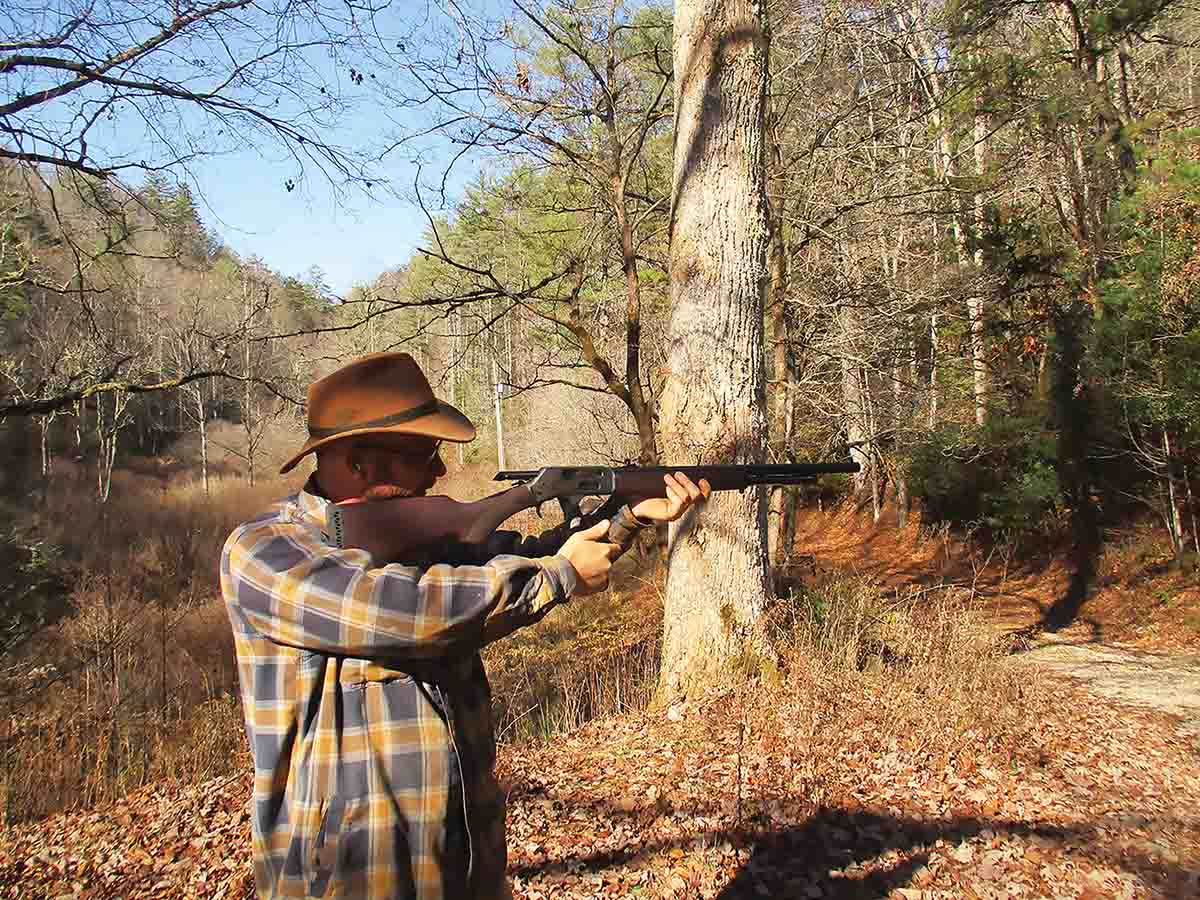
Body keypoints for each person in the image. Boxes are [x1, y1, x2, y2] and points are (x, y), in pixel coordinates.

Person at [220, 351, 709, 900]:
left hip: (463, 869)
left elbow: (530, 559)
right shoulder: (264, 551)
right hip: (345, 879)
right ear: (360, 464)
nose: (440, 471)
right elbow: (409, 613)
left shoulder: (421, 544)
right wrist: (558, 575)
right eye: (425, 453)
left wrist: (626, 516)